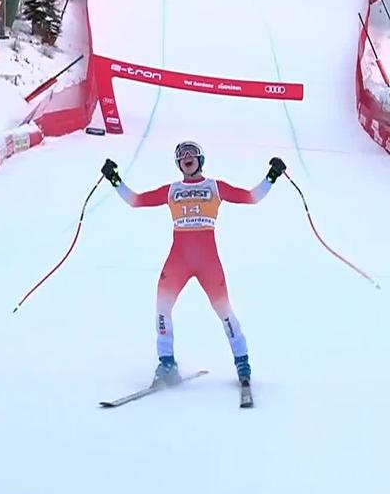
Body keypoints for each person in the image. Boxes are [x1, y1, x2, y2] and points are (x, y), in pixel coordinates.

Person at [101, 141, 287, 388]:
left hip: (208, 262)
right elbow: (136, 200)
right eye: (181, 155)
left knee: (224, 312)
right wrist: (114, 179)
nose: (186, 157)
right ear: (178, 163)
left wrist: (272, 176)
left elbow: (251, 197)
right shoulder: (172, 190)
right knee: (162, 309)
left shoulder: (214, 187)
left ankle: (242, 361)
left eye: (191, 154)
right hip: (178, 260)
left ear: (201, 159)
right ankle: (167, 363)